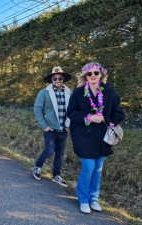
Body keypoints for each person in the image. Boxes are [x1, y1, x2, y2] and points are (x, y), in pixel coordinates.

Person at [67, 62, 125, 214]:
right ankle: (83, 199)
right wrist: (89, 117)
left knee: (98, 169)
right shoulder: (78, 93)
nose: (93, 76)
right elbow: (71, 113)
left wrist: (109, 121)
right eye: (89, 73)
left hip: (102, 136)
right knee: (88, 167)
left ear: (101, 75)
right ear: (85, 76)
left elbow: (119, 113)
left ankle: (94, 199)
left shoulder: (109, 91)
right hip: (82, 135)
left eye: (96, 73)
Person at [33, 66, 72, 187]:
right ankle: (37, 167)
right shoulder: (44, 93)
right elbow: (37, 109)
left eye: (60, 78)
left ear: (63, 78)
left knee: (60, 153)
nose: (57, 80)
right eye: (55, 79)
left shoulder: (69, 92)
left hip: (63, 129)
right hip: (50, 128)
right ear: (51, 80)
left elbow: (72, 110)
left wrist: (68, 125)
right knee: (49, 151)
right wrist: (44, 126)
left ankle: (56, 175)